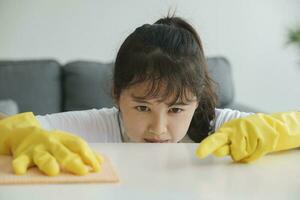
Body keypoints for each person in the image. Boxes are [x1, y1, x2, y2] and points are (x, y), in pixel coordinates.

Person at [1, 15, 300, 176]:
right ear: (118, 95)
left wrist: (279, 129)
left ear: (197, 101)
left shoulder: (221, 129)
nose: (158, 129)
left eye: (176, 109)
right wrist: (18, 134)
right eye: (142, 107)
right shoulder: (102, 127)